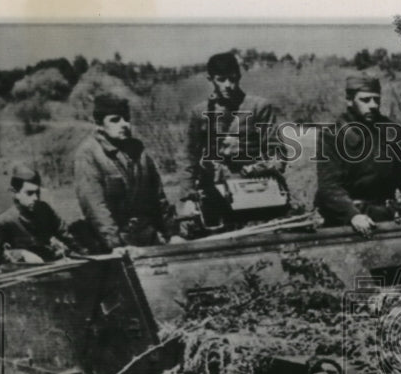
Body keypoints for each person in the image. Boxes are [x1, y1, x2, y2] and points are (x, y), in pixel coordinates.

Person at [184, 51, 285, 232]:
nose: (229, 85)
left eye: (233, 79)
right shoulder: (199, 113)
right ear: (210, 79)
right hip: (215, 195)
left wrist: (255, 168)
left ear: (239, 76)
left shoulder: (258, 107)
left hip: (254, 191)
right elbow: (189, 159)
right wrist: (189, 198)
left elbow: (277, 153)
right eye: (221, 79)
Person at [314, 74, 401, 235]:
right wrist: (353, 215)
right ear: (349, 101)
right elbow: (329, 187)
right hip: (345, 219)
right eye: (365, 100)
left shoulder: (391, 132)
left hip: (386, 216)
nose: (372, 105)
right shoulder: (332, 135)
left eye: (376, 100)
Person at [73, 93, 176, 252]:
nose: (124, 124)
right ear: (99, 124)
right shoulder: (88, 154)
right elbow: (95, 206)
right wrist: (116, 245)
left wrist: (172, 233)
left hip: (147, 235)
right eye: (115, 120)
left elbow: (158, 197)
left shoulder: (138, 149)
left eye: (126, 118)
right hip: (114, 242)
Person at [0, 164, 71, 274]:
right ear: (15, 193)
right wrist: (20, 254)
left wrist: (67, 249)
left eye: (37, 193)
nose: (35, 198)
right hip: (22, 277)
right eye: (30, 193)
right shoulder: (3, 222)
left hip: (50, 270)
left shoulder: (45, 211)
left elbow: (67, 235)